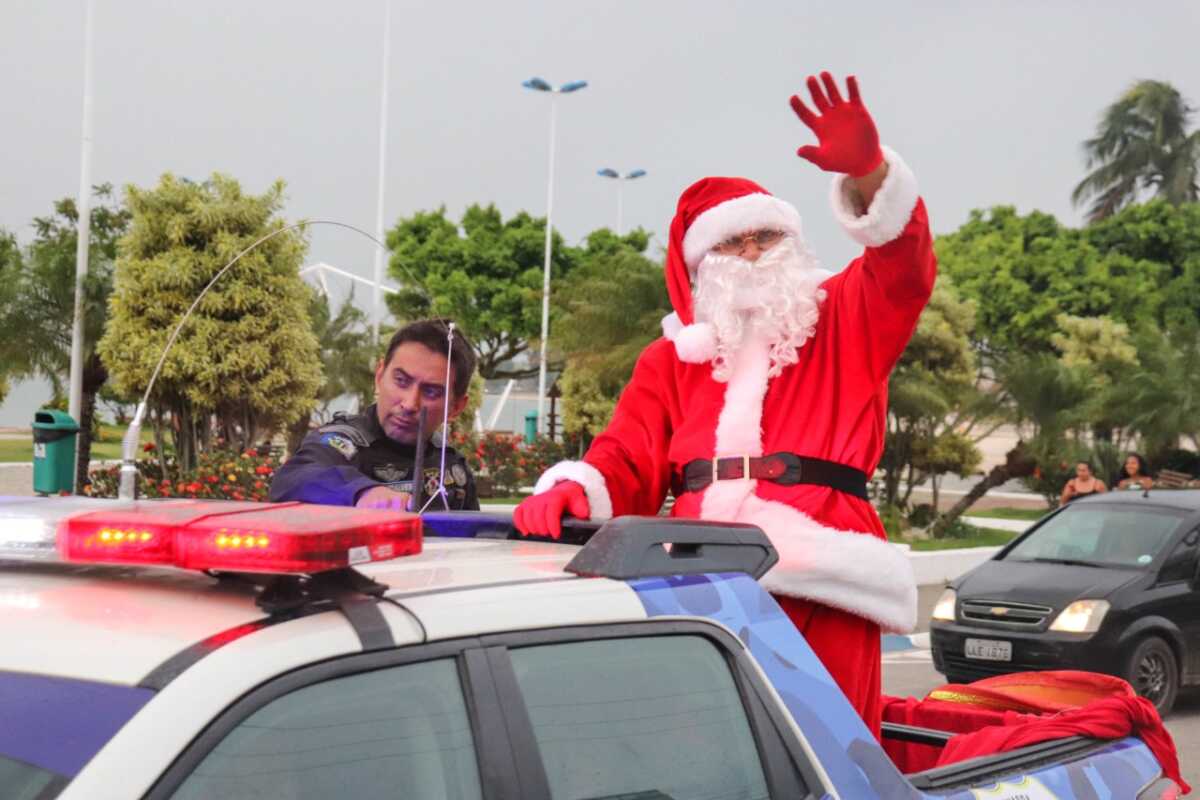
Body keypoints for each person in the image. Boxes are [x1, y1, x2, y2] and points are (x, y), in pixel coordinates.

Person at [514, 71, 934, 738]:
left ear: (791, 244)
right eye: (729, 245)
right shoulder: (671, 359)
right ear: (696, 268)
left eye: (764, 239)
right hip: (701, 581)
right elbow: (627, 454)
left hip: (824, 574)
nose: (750, 256)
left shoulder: (844, 316)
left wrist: (871, 176)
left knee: (831, 751)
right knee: (713, 755)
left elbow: (904, 271)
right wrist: (578, 488)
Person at [270, 318, 479, 511]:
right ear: (379, 375)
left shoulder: (451, 466)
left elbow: (480, 540)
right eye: (401, 381)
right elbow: (292, 478)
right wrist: (362, 491)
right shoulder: (340, 443)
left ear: (457, 407)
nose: (409, 403)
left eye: (431, 392)